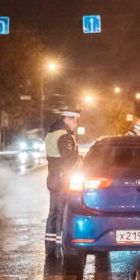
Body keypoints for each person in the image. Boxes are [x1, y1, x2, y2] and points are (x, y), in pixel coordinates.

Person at [43, 109, 80, 256]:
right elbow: (69, 160)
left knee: (53, 213)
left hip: (53, 177)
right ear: (68, 120)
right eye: (75, 121)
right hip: (63, 179)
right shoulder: (64, 137)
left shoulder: (51, 134)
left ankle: (50, 247)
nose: (76, 125)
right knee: (62, 213)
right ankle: (60, 248)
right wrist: (80, 161)